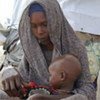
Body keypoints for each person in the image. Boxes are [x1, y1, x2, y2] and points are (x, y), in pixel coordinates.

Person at [0, 0, 95, 100]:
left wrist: (47, 98)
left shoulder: (75, 48)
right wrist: (9, 72)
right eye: (34, 26)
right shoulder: (32, 50)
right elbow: (23, 82)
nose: (39, 31)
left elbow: (88, 90)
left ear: (56, 21)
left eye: (45, 24)